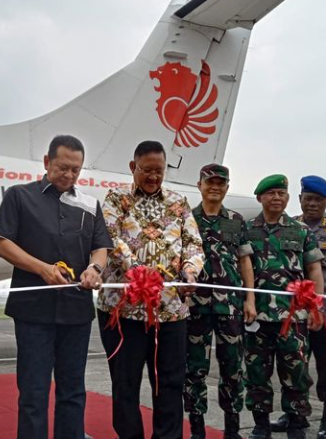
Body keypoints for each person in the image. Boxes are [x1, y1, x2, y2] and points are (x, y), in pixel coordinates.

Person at [0, 135, 112, 439]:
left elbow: (101, 248)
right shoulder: (19, 196)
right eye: (62, 167)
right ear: (47, 162)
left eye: (75, 169)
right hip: (33, 312)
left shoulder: (89, 204)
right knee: (33, 391)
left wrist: (95, 268)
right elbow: (3, 245)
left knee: (73, 390)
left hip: (76, 311)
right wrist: (42, 268)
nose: (69, 175)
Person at [97, 140, 204, 439]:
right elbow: (110, 237)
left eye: (159, 171)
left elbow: (194, 243)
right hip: (123, 311)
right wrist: (136, 270)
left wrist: (191, 270)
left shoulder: (179, 202)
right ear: (133, 167)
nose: (154, 177)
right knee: (125, 382)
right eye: (147, 170)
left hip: (170, 311)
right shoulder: (116, 198)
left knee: (169, 382)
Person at [271, 176, 326, 439]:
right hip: (294, 314)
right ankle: (294, 414)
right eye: (308, 198)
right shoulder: (288, 226)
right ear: (299, 199)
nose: (312, 204)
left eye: (318, 200)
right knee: (293, 366)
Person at [244, 174, 325, 439]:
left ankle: (296, 422)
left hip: (293, 315)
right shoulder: (247, 229)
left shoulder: (300, 230)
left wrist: (317, 307)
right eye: (271, 193)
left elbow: (314, 268)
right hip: (257, 316)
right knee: (256, 372)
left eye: (281, 193)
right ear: (260, 197)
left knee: (296, 371)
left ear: (288, 198)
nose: (277, 198)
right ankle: (261, 424)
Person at [183, 164, 256, 439]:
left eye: (220, 183)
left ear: (227, 187)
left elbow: (245, 261)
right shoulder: (187, 219)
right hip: (195, 306)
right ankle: (197, 429)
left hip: (230, 306)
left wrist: (250, 299)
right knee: (194, 369)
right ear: (199, 185)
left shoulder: (236, 221)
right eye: (210, 182)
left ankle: (232, 429)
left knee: (232, 368)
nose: (215, 187)